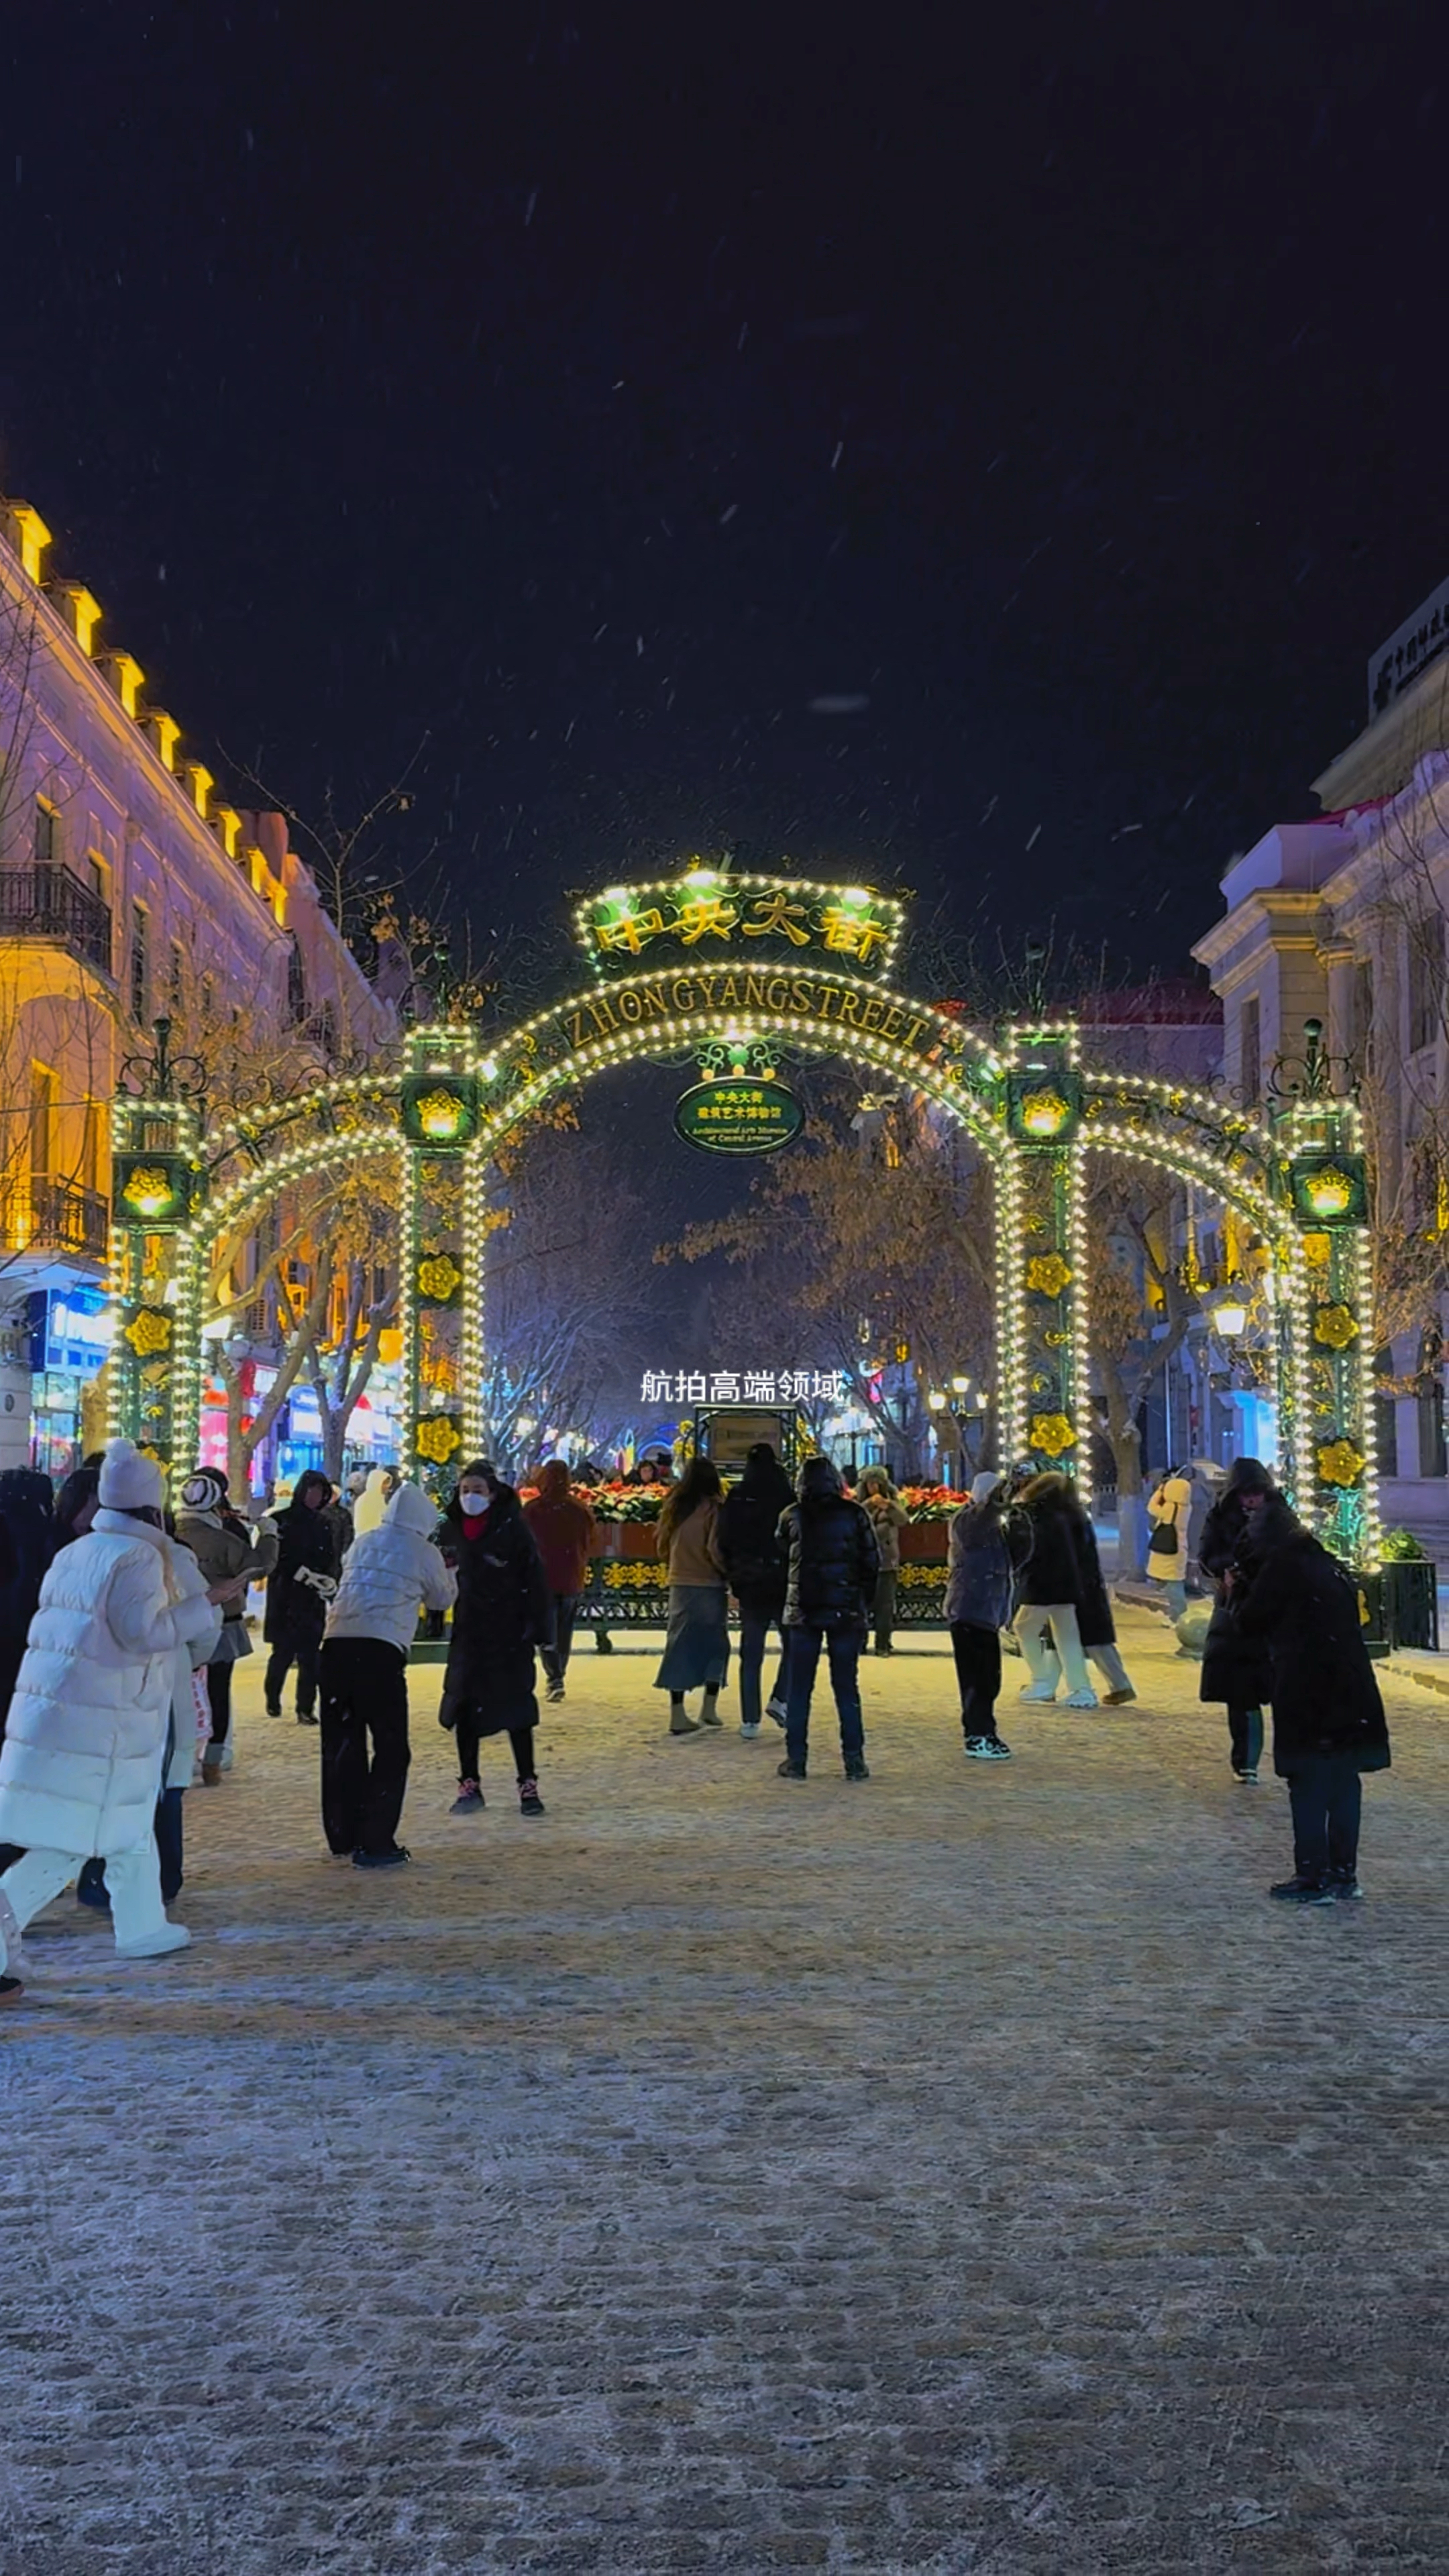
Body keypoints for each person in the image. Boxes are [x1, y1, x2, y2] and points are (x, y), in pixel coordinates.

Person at [0, 1439, 234, 1994]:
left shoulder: (79, 1551)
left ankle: (143, 1925)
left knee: (125, 1830)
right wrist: (210, 1603)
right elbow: (143, 1633)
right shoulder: (137, 1557)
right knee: (72, 1843)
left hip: (74, 1717)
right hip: (101, 1725)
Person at [1231, 1494, 1390, 1901]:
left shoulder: (1282, 1569)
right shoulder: (1328, 1564)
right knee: (1343, 1783)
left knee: (1307, 1782)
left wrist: (1235, 1593)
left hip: (1308, 1688)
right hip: (1351, 1687)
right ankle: (1343, 1874)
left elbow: (1250, 1621)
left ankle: (1312, 1874)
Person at [319, 1481, 455, 1865]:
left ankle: (343, 1833)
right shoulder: (422, 1549)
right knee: (391, 1748)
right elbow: (441, 1599)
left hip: (335, 1647)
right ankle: (376, 1841)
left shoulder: (364, 1541)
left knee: (342, 1746)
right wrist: (452, 1573)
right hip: (379, 1653)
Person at [438, 1461, 552, 1815]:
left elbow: (534, 1579)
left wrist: (540, 1629)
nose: (471, 1497)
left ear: (493, 1493)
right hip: (469, 1633)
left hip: (508, 1632)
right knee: (466, 1708)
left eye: (478, 1490)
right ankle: (469, 1782)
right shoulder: (450, 1529)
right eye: (465, 1491)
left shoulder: (512, 1529)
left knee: (516, 1708)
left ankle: (527, 1783)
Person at [777, 1456, 878, 1780]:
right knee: (846, 1687)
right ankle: (854, 1759)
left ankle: (796, 1760)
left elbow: (782, 1552)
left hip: (803, 1610)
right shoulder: (856, 1514)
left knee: (799, 1688)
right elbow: (871, 1562)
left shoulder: (792, 1516)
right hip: (846, 1609)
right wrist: (864, 1603)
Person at [176, 1469, 280, 1786]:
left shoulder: (169, 1535)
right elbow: (257, 1566)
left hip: (177, 1622)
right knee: (217, 1692)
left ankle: (177, 1757)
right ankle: (212, 1763)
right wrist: (269, 1536)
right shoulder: (222, 1539)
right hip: (222, 1622)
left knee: (178, 1693)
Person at [1199, 1458, 1278, 1781]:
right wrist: (1226, 1569)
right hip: (1235, 1610)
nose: (1252, 1501)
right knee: (1241, 1690)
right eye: (1246, 1494)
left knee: (1283, 1688)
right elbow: (1207, 1555)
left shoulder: (1279, 1519)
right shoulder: (1220, 1518)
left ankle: (1296, 1756)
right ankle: (1246, 1760)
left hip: (1275, 1611)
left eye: (1257, 1494)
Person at [946, 1470, 1029, 1758]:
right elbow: (983, 1518)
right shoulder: (968, 1520)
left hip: (987, 1612)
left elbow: (1016, 1557)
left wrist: (1019, 1523)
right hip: (969, 1609)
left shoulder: (994, 1527)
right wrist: (1001, 1497)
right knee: (977, 1679)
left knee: (988, 1679)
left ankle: (985, 1730)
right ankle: (977, 1734)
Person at [716, 1441, 794, 1736]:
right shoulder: (786, 1496)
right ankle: (781, 1697)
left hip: (749, 1582)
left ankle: (750, 1720)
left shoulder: (737, 1497)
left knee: (751, 1652)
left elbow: (725, 1539)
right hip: (782, 1580)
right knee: (793, 1646)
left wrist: (733, 1576)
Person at [653, 1456, 730, 1735]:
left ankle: (678, 1712)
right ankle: (709, 1708)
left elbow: (661, 1543)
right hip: (708, 1583)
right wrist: (728, 1572)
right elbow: (715, 1547)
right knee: (716, 1644)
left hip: (679, 1582)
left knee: (680, 1645)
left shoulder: (675, 1506)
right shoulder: (714, 1508)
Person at [1012, 1474, 1098, 1707]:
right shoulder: (1072, 1514)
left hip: (1042, 1582)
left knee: (1023, 1628)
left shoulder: (1035, 1515)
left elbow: (1027, 1549)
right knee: (1067, 1636)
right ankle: (1081, 1689)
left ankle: (1042, 1681)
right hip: (1069, 1582)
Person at [264, 1471, 339, 1723]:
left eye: (320, 1493)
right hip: (285, 1596)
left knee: (310, 1657)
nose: (315, 1497)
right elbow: (275, 1559)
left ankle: (305, 1707)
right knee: (282, 1653)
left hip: (311, 1598)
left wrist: (327, 1580)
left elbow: (330, 1557)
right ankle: (273, 1698)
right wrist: (298, 1573)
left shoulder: (324, 1523)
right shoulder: (280, 1521)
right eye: (312, 1491)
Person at [523, 1461, 596, 1702]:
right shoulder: (580, 1509)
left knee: (547, 1630)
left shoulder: (532, 1510)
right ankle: (558, 1674)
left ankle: (555, 1677)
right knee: (564, 1630)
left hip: (542, 1579)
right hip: (571, 1577)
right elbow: (589, 1541)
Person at [858, 1467, 908, 1654]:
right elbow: (856, 1518)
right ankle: (860, 1643)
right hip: (864, 1562)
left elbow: (903, 1520)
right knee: (862, 1604)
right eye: (870, 1483)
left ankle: (883, 1644)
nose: (874, 1487)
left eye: (877, 1483)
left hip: (887, 1561)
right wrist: (869, 1504)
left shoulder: (891, 1503)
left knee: (885, 1606)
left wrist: (889, 1506)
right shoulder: (859, 1505)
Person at [1146, 1466, 1193, 1619]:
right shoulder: (1185, 1507)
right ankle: (1177, 1616)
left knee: (1173, 1586)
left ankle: (1178, 1617)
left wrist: (1160, 1490)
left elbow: (1152, 1508)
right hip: (1178, 1548)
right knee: (1173, 1583)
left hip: (1170, 1550)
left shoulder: (1170, 1507)